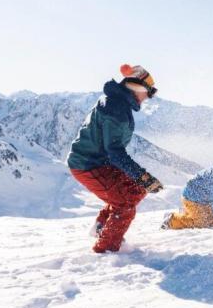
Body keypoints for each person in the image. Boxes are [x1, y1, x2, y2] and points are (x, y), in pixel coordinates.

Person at [67, 64, 164, 253]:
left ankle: (102, 227)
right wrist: (143, 176)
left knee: (136, 189)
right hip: (88, 164)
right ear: (137, 87)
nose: (147, 98)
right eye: (148, 92)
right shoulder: (117, 108)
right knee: (125, 205)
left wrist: (142, 180)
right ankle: (105, 251)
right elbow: (115, 152)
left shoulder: (117, 102)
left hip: (100, 162)